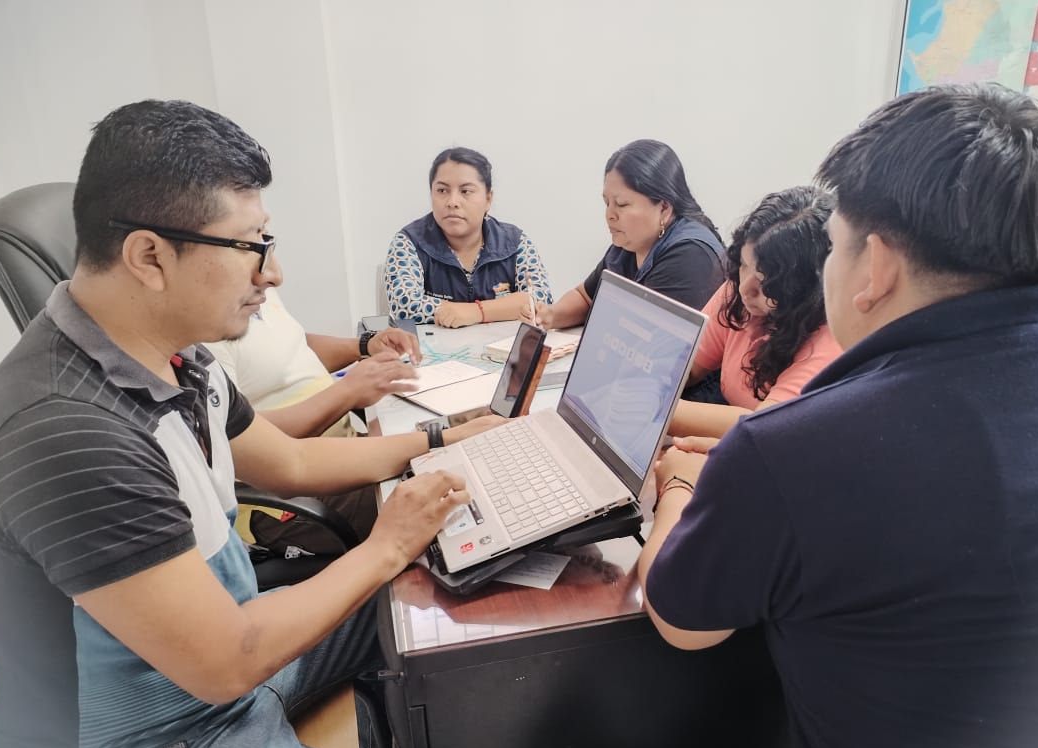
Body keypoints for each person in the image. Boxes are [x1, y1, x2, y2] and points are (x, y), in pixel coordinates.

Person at [523, 84, 1038, 748]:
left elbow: (679, 619)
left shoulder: (798, 446)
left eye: (835, 243)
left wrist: (676, 482)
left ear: (873, 265)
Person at [0, 99, 501, 748]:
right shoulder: (67, 429)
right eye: (249, 247)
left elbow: (290, 463)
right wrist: (387, 543)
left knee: (431, 599)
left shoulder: (176, 352)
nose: (274, 272)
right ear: (150, 257)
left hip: (219, 660)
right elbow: (226, 660)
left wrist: (442, 440)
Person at [205, 288, 424, 554]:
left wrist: (364, 345)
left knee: (438, 455)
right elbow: (248, 438)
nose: (274, 274)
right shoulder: (203, 331)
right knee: (429, 494)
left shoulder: (259, 290)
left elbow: (294, 347)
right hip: (289, 497)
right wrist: (347, 393)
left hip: (339, 450)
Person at [670, 186, 844, 438]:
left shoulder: (828, 341)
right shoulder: (739, 294)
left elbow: (764, 427)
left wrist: (656, 408)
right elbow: (686, 366)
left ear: (806, 290)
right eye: (743, 265)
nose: (745, 288)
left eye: (766, 282)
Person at [523, 139, 725, 330]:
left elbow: (643, 336)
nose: (609, 215)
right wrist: (551, 315)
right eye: (607, 203)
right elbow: (585, 297)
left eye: (622, 204)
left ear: (664, 208)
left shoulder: (691, 256)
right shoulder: (629, 244)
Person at [384, 146, 552, 327]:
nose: (452, 202)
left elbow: (540, 300)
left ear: (488, 199)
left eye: (465, 191)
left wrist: (476, 312)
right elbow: (405, 306)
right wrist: (504, 308)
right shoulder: (409, 242)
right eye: (442, 191)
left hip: (501, 345)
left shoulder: (514, 242)